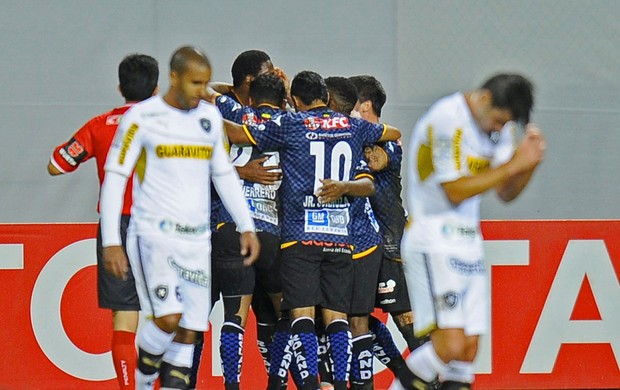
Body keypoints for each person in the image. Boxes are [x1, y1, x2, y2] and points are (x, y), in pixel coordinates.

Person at [224, 70, 402, 390]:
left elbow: (239, 135)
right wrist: (380, 147)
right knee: (337, 319)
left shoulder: (292, 125)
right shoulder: (353, 125)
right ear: (326, 96)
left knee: (301, 316)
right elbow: (392, 132)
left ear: (295, 100)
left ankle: (311, 385)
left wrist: (204, 122)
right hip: (340, 239)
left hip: (300, 236)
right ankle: (338, 381)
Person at [99, 45, 260, 390]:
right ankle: (143, 383)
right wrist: (111, 240)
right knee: (168, 319)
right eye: (195, 83)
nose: (202, 91)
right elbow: (116, 176)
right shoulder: (142, 117)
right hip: (153, 236)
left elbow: (223, 173)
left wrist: (246, 225)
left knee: (190, 329)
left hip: (196, 241)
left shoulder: (209, 118)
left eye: (205, 83)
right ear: (174, 77)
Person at [390, 73, 545, 390]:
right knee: (450, 346)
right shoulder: (447, 118)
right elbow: (454, 190)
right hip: (432, 239)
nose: (500, 129)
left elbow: (505, 192)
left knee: (468, 354)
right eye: (500, 121)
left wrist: (529, 164)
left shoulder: (496, 129)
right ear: (485, 98)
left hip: (468, 243)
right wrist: (515, 165)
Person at [47, 53, 159, 390]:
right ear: (156, 89)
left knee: (124, 320)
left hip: (118, 230)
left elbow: (56, 164)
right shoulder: (170, 125)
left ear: (120, 87)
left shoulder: (99, 125)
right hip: (162, 227)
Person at [212, 72, 287, 390]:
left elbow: (206, 90)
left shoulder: (235, 112)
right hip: (271, 231)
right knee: (290, 313)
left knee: (234, 316)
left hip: (233, 228)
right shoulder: (291, 122)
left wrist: (230, 91)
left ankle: (232, 384)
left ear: (252, 98)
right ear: (283, 101)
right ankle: (277, 382)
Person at [349, 75, 420, 373]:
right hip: (360, 243)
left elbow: (375, 162)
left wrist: (352, 126)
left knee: (407, 320)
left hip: (391, 245)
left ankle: (435, 378)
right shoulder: (351, 136)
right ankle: (404, 375)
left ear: (365, 105)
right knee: (354, 317)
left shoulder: (388, 143)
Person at [324, 76, 384, 390]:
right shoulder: (319, 128)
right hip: (333, 242)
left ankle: (363, 386)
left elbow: (369, 183)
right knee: (335, 323)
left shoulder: (351, 130)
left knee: (357, 322)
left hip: (359, 241)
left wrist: (345, 187)